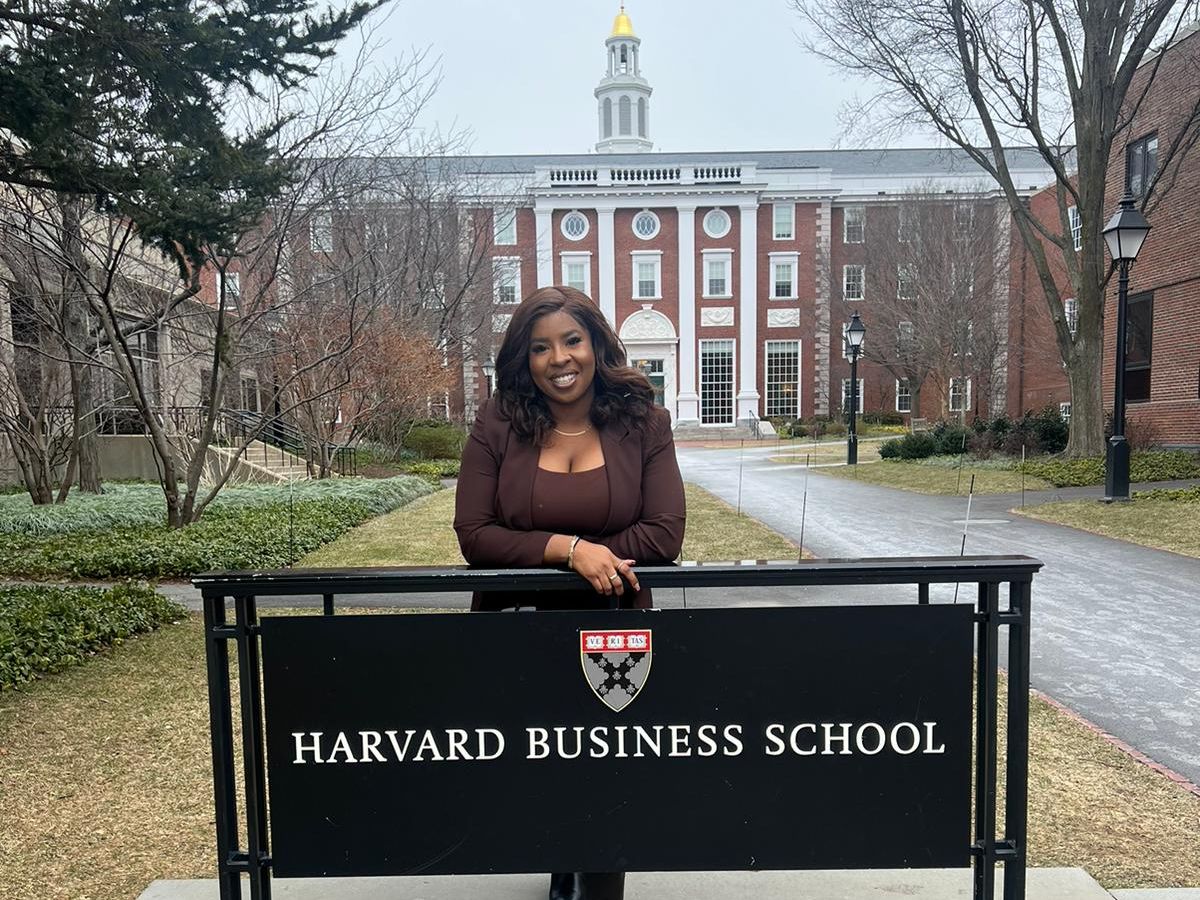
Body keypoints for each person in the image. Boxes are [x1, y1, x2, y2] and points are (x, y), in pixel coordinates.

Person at [454, 285, 686, 900]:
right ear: (523, 360)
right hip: (520, 627)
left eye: (572, 340)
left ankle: (598, 882)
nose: (559, 358)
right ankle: (561, 865)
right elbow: (475, 535)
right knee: (539, 766)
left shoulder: (644, 420)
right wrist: (569, 550)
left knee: (610, 770)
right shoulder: (499, 421)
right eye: (540, 347)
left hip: (615, 629)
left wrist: (596, 560)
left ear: (596, 344)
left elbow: (665, 533)